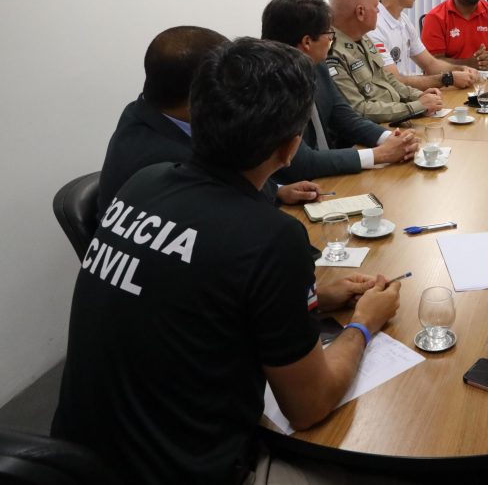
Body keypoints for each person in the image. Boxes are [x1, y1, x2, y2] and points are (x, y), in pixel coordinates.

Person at [52, 38, 403, 484]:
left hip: (76, 461)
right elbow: (308, 406)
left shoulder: (143, 181)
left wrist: (314, 299)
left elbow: (198, 292)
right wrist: (364, 324)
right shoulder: (272, 238)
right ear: (290, 149)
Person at [96, 26, 322, 215]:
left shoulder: (143, 111)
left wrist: (278, 190)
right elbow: (232, 206)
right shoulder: (170, 161)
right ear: (201, 92)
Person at [261, 0, 419, 179]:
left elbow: (344, 115)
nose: (332, 39)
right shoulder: (270, 86)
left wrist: (390, 138)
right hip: (296, 184)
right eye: (329, 33)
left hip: (328, 175)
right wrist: (379, 155)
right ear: (307, 42)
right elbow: (300, 161)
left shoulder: (317, 65)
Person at [327, 0, 444, 124]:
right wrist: (416, 107)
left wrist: (417, 96)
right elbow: (359, 110)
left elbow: (386, 78)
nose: (378, 11)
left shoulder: (362, 38)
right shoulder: (332, 53)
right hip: (375, 129)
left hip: (393, 118)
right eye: (375, 6)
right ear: (361, 12)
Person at [369, 0, 479, 90]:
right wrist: (449, 78)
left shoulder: (403, 20)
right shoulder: (374, 26)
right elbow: (394, 81)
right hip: (393, 98)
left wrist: (461, 69)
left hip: (407, 95)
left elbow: (430, 63)